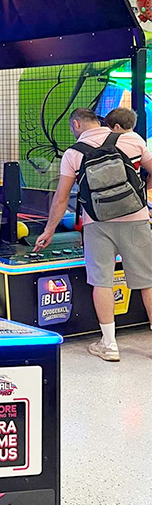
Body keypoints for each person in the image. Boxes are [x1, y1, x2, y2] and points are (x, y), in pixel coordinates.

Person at [34, 107, 152, 361]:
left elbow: (62, 198)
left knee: (102, 281)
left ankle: (109, 345)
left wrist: (49, 230)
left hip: (97, 223)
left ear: (76, 124)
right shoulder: (132, 139)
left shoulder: (73, 153)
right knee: (147, 282)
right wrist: (144, 194)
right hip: (136, 219)